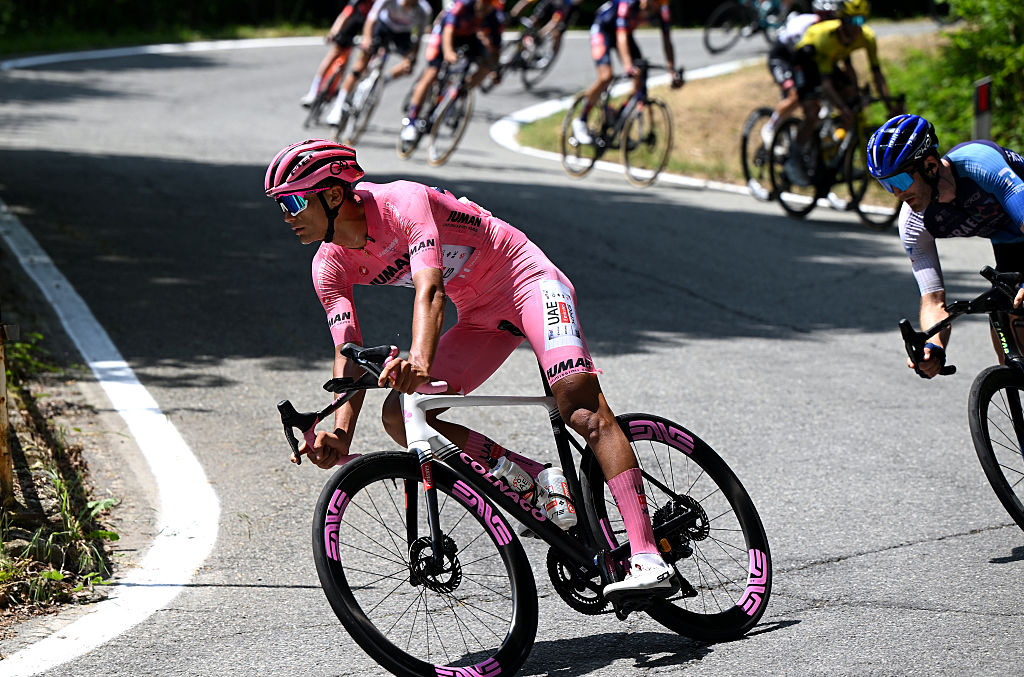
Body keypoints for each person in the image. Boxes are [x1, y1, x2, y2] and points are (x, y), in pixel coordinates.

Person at [265, 139, 676, 598]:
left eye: (295, 200)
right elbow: (350, 352)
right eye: (281, 205)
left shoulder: (402, 202)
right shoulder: (328, 265)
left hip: (528, 280)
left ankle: (648, 558)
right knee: (400, 414)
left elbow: (431, 290)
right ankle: (534, 477)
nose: (287, 215)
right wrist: (340, 435)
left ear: (334, 195)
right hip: (480, 316)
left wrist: (419, 360)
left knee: (579, 406)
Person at [865, 114, 1024, 377]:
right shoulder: (914, 222)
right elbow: (933, 302)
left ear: (930, 165)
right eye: (886, 185)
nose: (897, 193)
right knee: (1010, 328)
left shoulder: (981, 165)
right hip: (1009, 240)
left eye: (900, 181)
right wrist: (933, 347)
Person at [784, 0, 897, 185]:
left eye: (861, 21)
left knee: (852, 99)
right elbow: (826, 84)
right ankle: (794, 157)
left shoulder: (867, 37)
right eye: (852, 21)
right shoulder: (826, 37)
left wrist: (889, 105)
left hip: (830, 61)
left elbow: (877, 73)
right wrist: (842, 107)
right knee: (812, 113)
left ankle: (839, 153)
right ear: (842, 21)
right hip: (805, 61)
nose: (857, 27)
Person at [571, 0, 683, 145]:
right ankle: (581, 120)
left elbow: (667, 41)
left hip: (625, 34)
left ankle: (619, 119)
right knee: (606, 77)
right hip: (603, 30)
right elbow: (621, 37)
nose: (650, 7)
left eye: (655, 4)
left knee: (641, 73)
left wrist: (672, 71)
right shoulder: (629, 3)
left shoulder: (662, 10)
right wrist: (628, 66)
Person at [399, 0, 505, 144]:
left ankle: (459, 93)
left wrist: (494, 70)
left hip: (468, 37)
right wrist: (448, 52)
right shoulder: (463, 5)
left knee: (486, 67)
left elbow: (495, 49)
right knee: (432, 73)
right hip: (444, 34)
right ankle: (411, 121)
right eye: (483, 2)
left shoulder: (494, 17)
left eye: (489, 4)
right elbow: (448, 30)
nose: (485, 6)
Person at [323, 0, 434, 127]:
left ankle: (384, 81)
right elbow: (370, 20)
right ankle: (337, 107)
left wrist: (412, 57)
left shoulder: (424, 10)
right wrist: (367, 40)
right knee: (360, 64)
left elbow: (418, 37)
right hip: (383, 28)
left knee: (408, 67)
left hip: (402, 35)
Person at [759, 0, 838, 148]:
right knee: (794, 94)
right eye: (826, 18)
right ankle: (770, 127)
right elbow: (798, 61)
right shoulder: (802, 27)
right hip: (783, 58)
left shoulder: (831, 34)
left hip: (805, 61)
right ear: (818, 16)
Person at [301, 0, 377, 108]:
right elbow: (344, 16)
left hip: (369, 29)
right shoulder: (358, 2)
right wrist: (334, 32)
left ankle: (338, 91)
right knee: (334, 54)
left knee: (361, 61)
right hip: (351, 25)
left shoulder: (380, 5)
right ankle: (313, 91)